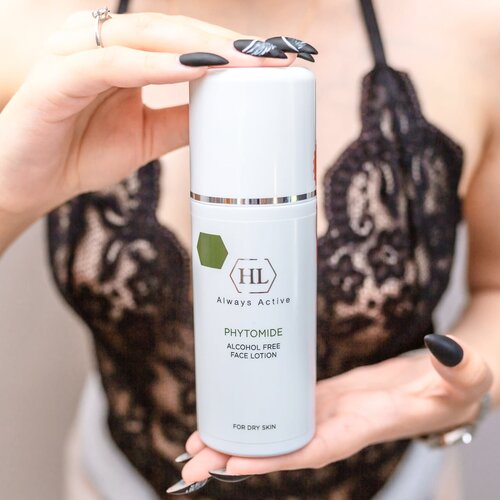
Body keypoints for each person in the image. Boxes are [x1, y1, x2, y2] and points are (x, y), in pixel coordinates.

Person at [1, 0, 499, 498]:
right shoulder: (28, 33)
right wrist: (10, 198)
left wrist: (457, 394)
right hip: (117, 483)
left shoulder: (474, 34)